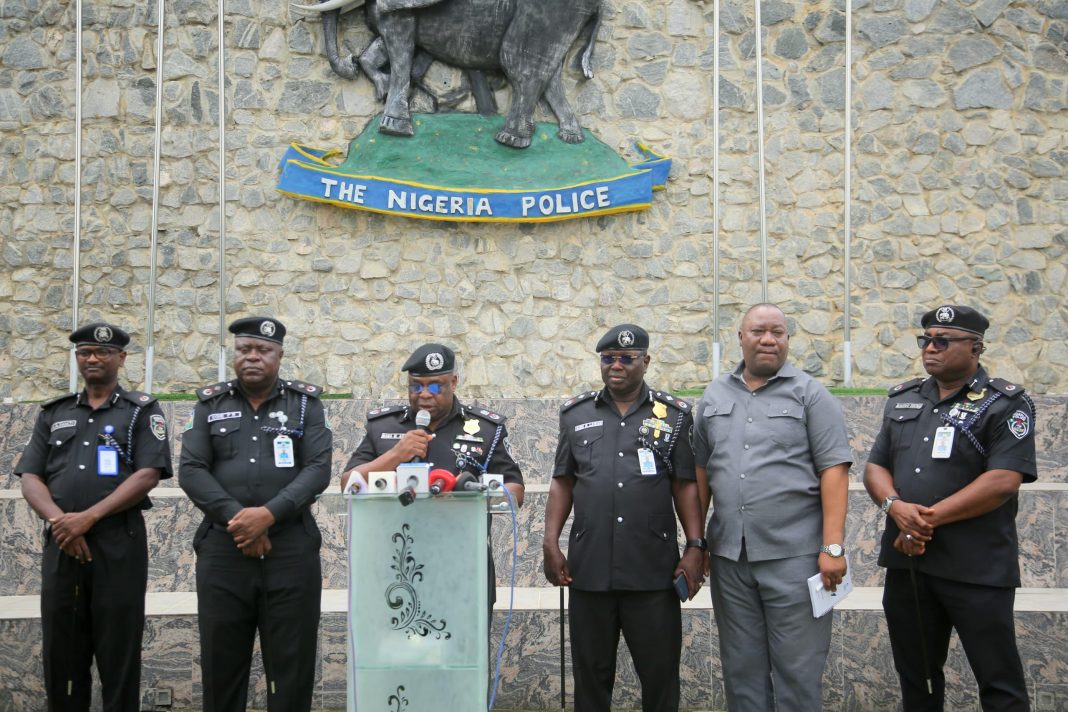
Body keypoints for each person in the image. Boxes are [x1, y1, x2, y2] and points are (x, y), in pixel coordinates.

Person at [863, 305, 1036, 711]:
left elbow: (1003, 481)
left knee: (998, 681)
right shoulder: (904, 399)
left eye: (944, 340)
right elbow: (875, 466)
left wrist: (923, 519)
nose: (931, 348)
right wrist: (894, 506)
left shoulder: (1004, 403)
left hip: (976, 569)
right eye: (926, 340)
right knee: (917, 677)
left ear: (976, 347)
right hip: (909, 566)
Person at [692, 303, 851, 712]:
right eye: (759, 331)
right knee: (741, 670)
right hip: (731, 557)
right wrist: (697, 543)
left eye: (778, 332)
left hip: (795, 558)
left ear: (787, 340)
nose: (768, 339)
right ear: (741, 338)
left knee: (797, 672)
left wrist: (833, 547)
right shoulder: (714, 394)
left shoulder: (811, 394)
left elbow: (834, 471)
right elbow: (702, 470)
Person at [543, 323, 705, 712]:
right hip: (590, 570)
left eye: (627, 358)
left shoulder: (675, 416)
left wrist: (696, 546)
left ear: (645, 361)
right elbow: (563, 481)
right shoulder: (576, 414)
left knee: (660, 675)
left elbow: (685, 485)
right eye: (608, 358)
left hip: (651, 571)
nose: (616, 365)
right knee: (591, 678)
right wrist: (550, 542)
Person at [15, 322, 172, 712]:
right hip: (63, 544)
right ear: (77, 359)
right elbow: (31, 476)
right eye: (85, 352)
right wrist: (60, 521)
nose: (93, 358)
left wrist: (88, 517)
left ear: (121, 358)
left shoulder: (141, 412)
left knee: (119, 647)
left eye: (103, 352)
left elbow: (148, 473)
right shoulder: (56, 412)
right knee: (62, 647)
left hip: (118, 543)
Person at [179, 317, 332, 712]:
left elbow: (317, 469)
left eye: (263, 350)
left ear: (279, 355)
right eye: (244, 349)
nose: (252, 357)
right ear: (235, 355)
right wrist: (241, 520)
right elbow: (192, 469)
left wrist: (268, 515)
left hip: (290, 551)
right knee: (222, 664)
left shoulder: (305, 406)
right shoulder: (210, 404)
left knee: (291, 665)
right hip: (224, 552)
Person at [341, 343, 524, 606]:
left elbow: (515, 491)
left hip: (462, 564)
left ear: (454, 382)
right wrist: (396, 455)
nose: (425, 394)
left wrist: (468, 495)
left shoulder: (485, 429)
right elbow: (349, 483)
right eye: (416, 386)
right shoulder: (382, 426)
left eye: (435, 386)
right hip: (394, 565)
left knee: (465, 647)